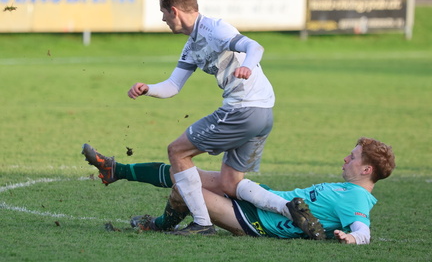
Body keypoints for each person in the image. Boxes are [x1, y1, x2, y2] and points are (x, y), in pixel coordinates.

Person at [123, 0, 301, 235]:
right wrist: (147, 88)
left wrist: (247, 67)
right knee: (230, 183)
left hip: (243, 109)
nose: (163, 20)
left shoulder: (215, 29)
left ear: (174, 10)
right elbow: (173, 85)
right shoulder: (192, 44)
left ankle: (202, 223)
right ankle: (288, 209)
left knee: (177, 152)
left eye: (163, 13)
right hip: (263, 113)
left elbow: (254, 46)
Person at [82, 137, 396, 244]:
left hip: (258, 223)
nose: (346, 158)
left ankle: (158, 224)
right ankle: (116, 170)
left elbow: (362, 229)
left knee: (183, 184)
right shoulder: (347, 187)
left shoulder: (356, 198)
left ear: (366, 170)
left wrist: (352, 237)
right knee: (186, 172)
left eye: (352, 157)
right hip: (262, 200)